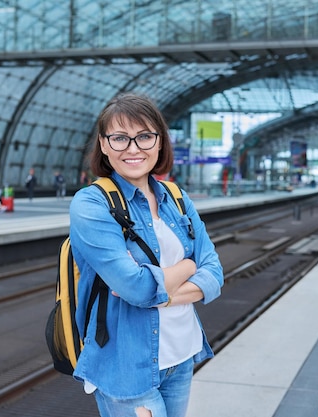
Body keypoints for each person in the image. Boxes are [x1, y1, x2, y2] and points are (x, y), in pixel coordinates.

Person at [68, 93, 224, 417]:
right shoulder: (91, 204)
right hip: (126, 365)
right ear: (104, 144)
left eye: (144, 137)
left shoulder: (177, 198)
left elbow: (214, 273)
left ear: (160, 142)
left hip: (182, 354)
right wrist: (189, 264)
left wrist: (160, 292)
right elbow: (136, 288)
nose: (133, 148)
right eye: (120, 138)